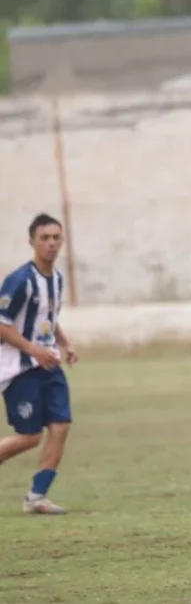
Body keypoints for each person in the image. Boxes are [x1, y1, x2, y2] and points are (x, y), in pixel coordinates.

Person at [0, 213, 79, 515]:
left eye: (56, 238)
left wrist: (64, 342)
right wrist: (33, 350)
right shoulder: (20, 280)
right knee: (29, 437)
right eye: (45, 238)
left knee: (60, 426)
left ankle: (37, 497)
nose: (51, 243)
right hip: (20, 368)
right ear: (32, 241)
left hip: (48, 364)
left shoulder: (56, 279)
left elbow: (48, 317)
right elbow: (2, 324)